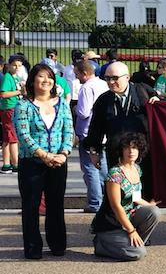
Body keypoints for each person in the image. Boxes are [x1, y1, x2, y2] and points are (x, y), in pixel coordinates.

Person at [14, 63, 74, 259]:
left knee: (56, 203)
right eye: (41, 77)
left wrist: (63, 154)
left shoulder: (62, 104)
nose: (46, 80)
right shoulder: (23, 106)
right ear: (32, 81)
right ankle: (33, 247)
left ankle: (57, 244)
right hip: (32, 162)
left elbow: (68, 130)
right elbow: (24, 135)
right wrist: (44, 155)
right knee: (31, 205)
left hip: (58, 161)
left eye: (49, 77)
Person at [83, 62, 159, 200]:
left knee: (142, 195)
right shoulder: (103, 100)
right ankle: (120, 220)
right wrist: (94, 150)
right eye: (107, 78)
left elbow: (163, 111)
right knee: (119, 196)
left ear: (127, 77)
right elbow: (96, 128)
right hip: (116, 154)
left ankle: (140, 219)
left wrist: (158, 101)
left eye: (115, 78)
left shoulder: (143, 92)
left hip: (141, 155)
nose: (111, 82)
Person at [91, 132, 162, 261]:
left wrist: (150, 205)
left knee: (154, 212)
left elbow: (136, 198)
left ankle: (132, 243)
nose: (131, 151)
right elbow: (116, 206)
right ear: (121, 150)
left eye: (134, 147)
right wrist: (131, 231)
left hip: (128, 218)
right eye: (127, 148)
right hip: (111, 224)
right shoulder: (115, 173)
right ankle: (102, 245)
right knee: (138, 254)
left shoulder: (137, 169)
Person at [74, 60, 109, 213]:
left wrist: (75, 108)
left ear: (85, 73)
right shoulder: (103, 84)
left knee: (90, 168)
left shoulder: (86, 88)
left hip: (88, 132)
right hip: (103, 133)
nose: (77, 78)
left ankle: (96, 202)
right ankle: (107, 198)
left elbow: (84, 112)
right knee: (102, 169)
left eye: (77, 74)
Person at [0, 56, 23, 173]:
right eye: (15, 65)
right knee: (12, 137)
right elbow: (3, 94)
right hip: (9, 108)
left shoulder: (16, 77)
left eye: (19, 65)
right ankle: (15, 164)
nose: (17, 67)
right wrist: (19, 92)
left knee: (8, 138)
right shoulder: (7, 78)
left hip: (14, 107)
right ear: (8, 65)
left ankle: (7, 163)